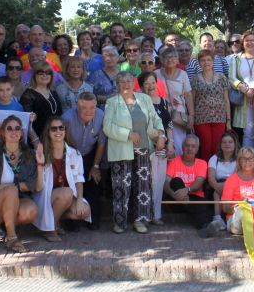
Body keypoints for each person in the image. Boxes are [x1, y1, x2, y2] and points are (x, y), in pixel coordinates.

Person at [104, 72, 165, 234]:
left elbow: (156, 119)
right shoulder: (112, 102)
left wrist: (161, 133)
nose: (126, 84)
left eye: (129, 81)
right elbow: (107, 127)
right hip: (121, 151)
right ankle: (119, 222)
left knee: (143, 188)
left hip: (143, 150)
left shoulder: (144, 99)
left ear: (134, 83)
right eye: (122, 81)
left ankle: (140, 221)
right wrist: (128, 134)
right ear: (117, 84)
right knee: (121, 188)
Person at [0, 115, 44, 253]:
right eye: (9, 128)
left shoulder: (30, 155)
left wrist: (40, 164)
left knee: (31, 209)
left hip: (17, 203)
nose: (14, 131)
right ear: (3, 133)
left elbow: (36, 186)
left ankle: (7, 228)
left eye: (17, 128)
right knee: (10, 191)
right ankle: (11, 238)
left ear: (22, 133)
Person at [32, 116, 90, 242]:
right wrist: (40, 164)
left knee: (84, 211)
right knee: (66, 192)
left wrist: (79, 199)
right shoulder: (42, 154)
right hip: (46, 197)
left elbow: (79, 180)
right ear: (48, 132)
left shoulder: (75, 154)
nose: (58, 131)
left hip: (64, 198)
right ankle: (50, 230)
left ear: (65, 130)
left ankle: (54, 221)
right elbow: (37, 187)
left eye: (61, 128)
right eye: (53, 129)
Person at [62, 92, 106, 230]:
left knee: (93, 181)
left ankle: (93, 219)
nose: (89, 111)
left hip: (89, 154)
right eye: (84, 108)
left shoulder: (101, 116)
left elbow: (101, 143)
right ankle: (69, 221)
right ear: (77, 106)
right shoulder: (67, 118)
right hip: (70, 154)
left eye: (92, 107)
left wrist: (95, 166)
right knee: (70, 184)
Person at [138, 72, 174, 225]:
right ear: (141, 86)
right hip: (148, 147)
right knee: (149, 182)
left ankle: (157, 215)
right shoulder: (139, 103)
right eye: (147, 83)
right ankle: (145, 215)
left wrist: (170, 143)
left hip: (163, 147)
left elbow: (169, 125)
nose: (151, 86)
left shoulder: (164, 102)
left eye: (153, 82)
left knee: (159, 182)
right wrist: (156, 140)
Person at [164, 134, 217, 237]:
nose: (189, 148)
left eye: (193, 146)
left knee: (202, 203)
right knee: (176, 181)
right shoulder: (174, 161)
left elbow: (198, 184)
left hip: (194, 197)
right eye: (187, 145)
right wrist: (173, 194)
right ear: (183, 147)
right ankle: (204, 225)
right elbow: (166, 183)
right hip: (175, 198)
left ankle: (204, 228)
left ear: (197, 149)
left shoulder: (202, 163)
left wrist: (186, 190)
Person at [229, 30, 254, 148]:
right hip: (244, 99)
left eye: (252, 40)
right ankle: (247, 160)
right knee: (248, 132)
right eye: (247, 41)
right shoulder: (235, 59)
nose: (250, 43)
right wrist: (246, 90)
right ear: (243, 43)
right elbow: (231, 78)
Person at [190, 49, 232, 161]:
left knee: (217, 147)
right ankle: (204, 175)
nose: (206, 62)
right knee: (206, 146)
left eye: (209, 60)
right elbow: (192, 101)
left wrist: (228, 121)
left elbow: (226, 100)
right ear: (199, 63)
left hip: (219, 118)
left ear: (213, 62)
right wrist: (192, 118)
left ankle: (216, 173)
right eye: (203, 60)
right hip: (201, 118)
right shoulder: (195, 79)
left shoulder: (222, 77)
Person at [221, 147, 254, 234]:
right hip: (237, 220)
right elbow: (225, 208)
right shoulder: (232, 179)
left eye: (250, 159)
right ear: (239, 161)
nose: (247, 161)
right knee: (246, 207)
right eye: (244, 159)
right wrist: (241, 206)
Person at [155, 46, 193, 155]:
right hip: (161, 113)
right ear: (162, 60)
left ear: (177, 59)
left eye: (173, 57)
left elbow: (188, 95)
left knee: (179, 144)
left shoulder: (183, 74)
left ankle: (177, 169)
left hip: (178, 115)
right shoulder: (156, 74)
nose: (170, 59)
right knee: (163, 142)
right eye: (167, 57)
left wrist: (191, 115)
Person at [20, 61, 63, 140]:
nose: (44, 75)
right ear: (34, 75)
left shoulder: (53, 92)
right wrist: (36, 141)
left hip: (55, 137)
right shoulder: (28, 95)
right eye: (40, 72)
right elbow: (27, 122)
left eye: (48, 72)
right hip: (38, 140)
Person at [207, 132, 240, 230]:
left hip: (234, 185)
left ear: (235, 145)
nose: (227, 144)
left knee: (221, 190)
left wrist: (226, 188)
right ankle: (218, 219)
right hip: (218, 186)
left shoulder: (239, 159)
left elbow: (235, 176)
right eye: (224, 142)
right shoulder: (214, 159)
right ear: (220, 145)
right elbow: (211, 178)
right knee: (216, 192)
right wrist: (218, 187)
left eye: (230, 142)